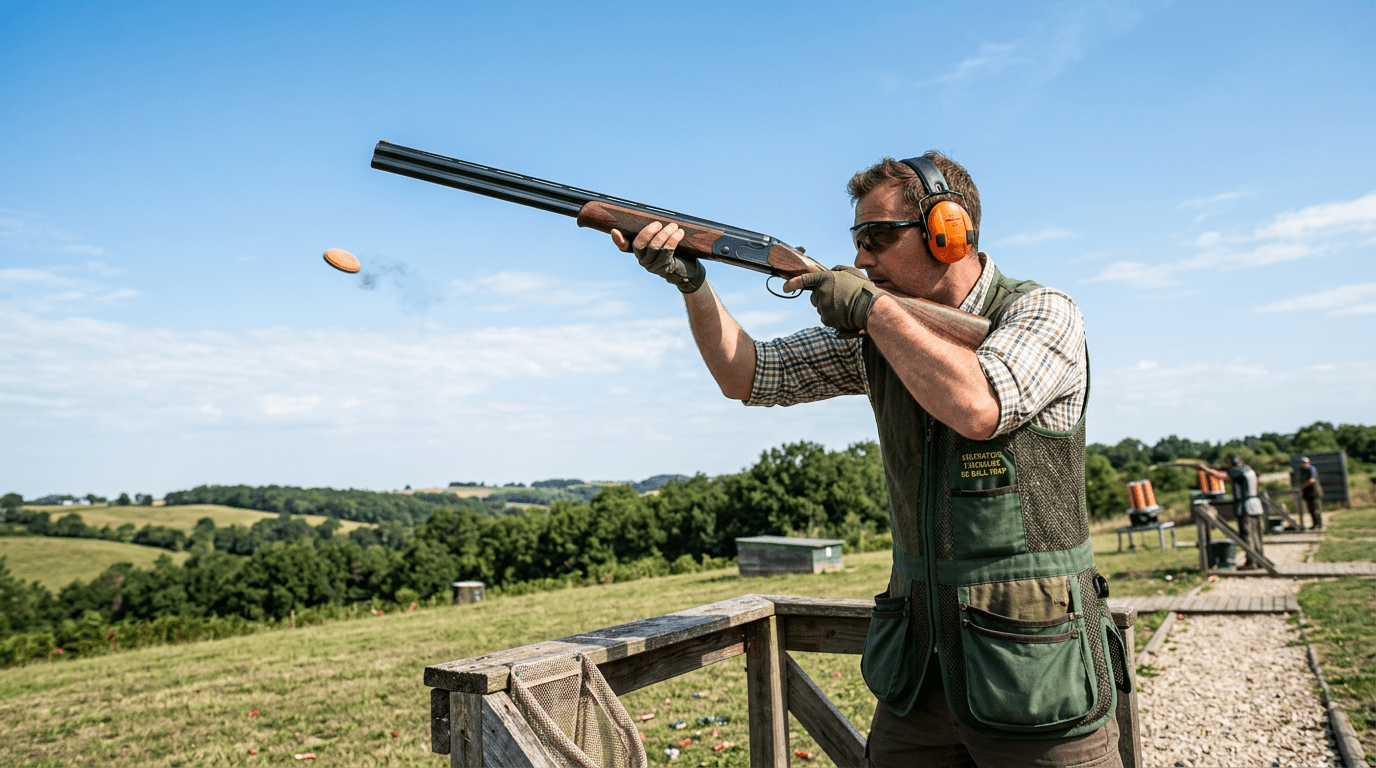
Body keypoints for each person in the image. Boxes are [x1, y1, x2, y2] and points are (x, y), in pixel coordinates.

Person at [610, 154, 1125, 767]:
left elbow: (979, 405)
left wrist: (874, 311)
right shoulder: (879, 328)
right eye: (857, 239)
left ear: (950, 230)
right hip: (917, 673)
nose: (860, 259)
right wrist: (694, 285)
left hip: (1039, 673)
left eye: (878, 236)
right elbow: (748, 374)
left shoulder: (1042, 312)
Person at [1224, 454, 1265, 568]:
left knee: (1247, 535)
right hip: (1255, 504)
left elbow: (1223, 475)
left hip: (1246, 506)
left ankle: (1251, 562)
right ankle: (1260, 560)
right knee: (1256, 534)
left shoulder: (1237, 471)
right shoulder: (1248, 469)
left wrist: (1207, 470)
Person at [1298, 456, 1324, 530]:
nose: (1303, 464)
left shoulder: (1311, 469)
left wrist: (1302, 486)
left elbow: (1311, 480)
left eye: (1305, 462)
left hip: (1314, 493)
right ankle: (1315, 525)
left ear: (1308, 462)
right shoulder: (1302, 470)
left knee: (1316, 510)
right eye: (1302, 462)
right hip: (1307, 494)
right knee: (1311, 510)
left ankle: (1319, 525)